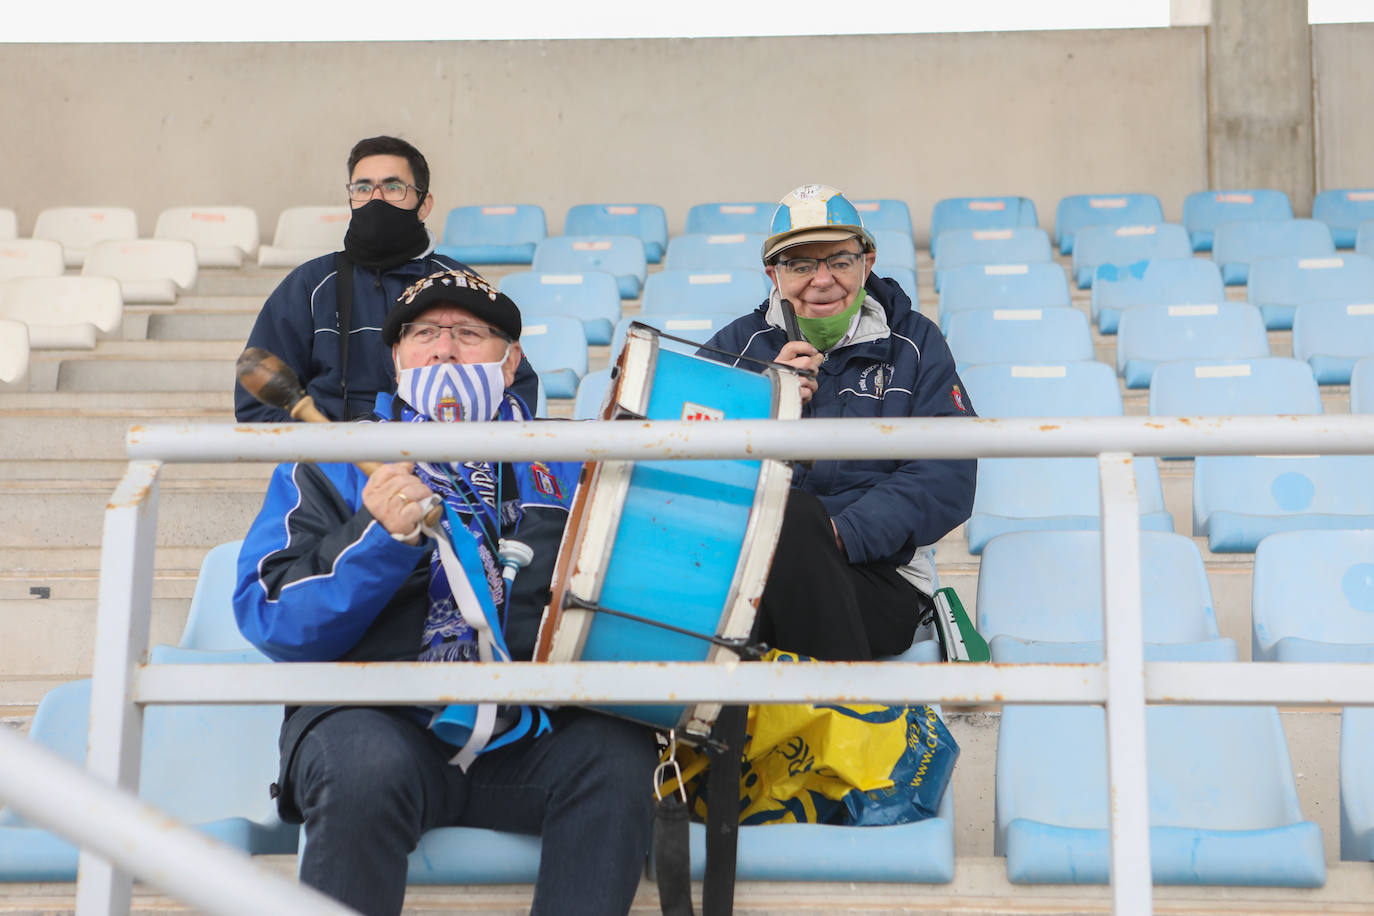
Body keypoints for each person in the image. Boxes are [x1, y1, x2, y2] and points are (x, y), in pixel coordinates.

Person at [233, 268, 656, 916]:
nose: (444, 349)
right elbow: (274, 619)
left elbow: (634, 601)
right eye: (424, 333)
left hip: (531, 728)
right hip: (379, 721)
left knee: (617, 757)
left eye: (468, 333)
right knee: (361, 768)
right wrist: (376, 538)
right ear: (397, 359)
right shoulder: (328, 456)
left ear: (511, 360)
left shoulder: (574, 460)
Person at [704, 184, 977, 661]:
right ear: (774, 274)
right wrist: (765, 407)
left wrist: (839, 532)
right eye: (801, 264)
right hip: (751, 570)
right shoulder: (737, 348)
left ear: (867, 262)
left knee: (790, 530)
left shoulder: (914, 344)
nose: (822, 279)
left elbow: (947, 474)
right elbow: (684, 463)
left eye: (839, 261)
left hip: (878, 576)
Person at [234, 135, 538, 423]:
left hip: (438, 470)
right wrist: (326, 458)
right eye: (363, 188)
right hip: (335, 467)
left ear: (424, 204)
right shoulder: (309, 285)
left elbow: (516, 388)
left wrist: (444, 461)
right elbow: (257, 405)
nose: (375, 199)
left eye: (393, 187)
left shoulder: (457, 284)